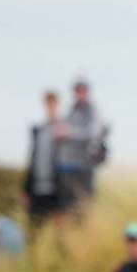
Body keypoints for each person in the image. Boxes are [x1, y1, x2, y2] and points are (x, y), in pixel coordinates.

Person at [56, 79, 108, 210]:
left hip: (84, 165)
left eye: (82, 91)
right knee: (66, 204)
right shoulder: (70, 110)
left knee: (83, 203)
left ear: (87, 92)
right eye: (77, 91)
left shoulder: (93, 110)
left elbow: (93, 133)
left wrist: (69, 133)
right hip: (67, 164)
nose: (79, 94)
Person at [23, 91, 66, 232]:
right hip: (37, 190)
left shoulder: (64, 130)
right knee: (33, 231)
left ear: (58, 105)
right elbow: (32, 160)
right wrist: (26, 189)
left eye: (53, 103)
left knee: (59, 234)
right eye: (48, 103)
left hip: (56, 191)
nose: (50, 106)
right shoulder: (38, 130)